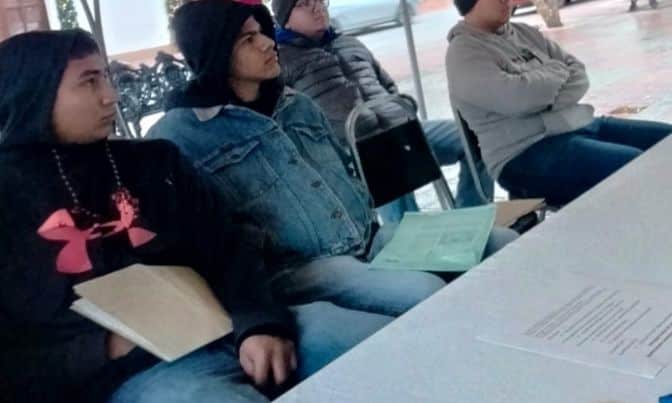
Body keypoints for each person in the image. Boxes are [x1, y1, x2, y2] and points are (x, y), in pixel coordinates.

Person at [0, 29, 390, 403]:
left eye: (105, 77)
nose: (110, 96)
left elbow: (228, 247)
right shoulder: (9, 195)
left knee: (381, 345)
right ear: (34, 93)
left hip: (233, 328)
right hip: (139, 374)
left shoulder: (153, 161)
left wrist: (259, 323)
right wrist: (101, 347)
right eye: (89, 82)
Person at [148, 0, 516, 318]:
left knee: (502, 243)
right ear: (214, 53)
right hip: (299, 269)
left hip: (368, 239)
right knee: (424, 292)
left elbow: (343, 167)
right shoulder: (180, 135)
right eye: (248, 39)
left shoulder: (295, 104)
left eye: (261, 32)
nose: (267, 43)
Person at [444, 0, 672, 207]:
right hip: (524, 153)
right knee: (637, 168)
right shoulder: (465, 54)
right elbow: (519, 99)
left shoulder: (524, 33)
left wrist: (541, 95)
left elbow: (579, 75)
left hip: (577, 124)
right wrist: (555, 72)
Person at [269, 0, 492, 215]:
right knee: (389, 168)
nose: (317, 7)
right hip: (351, 149)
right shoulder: (283, 61)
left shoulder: (350, 43)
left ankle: (472, 215)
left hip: (400, 128)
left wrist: (404, 107)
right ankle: (407, 231)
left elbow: (387, 84)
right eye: (304, 4)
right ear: (285, 18)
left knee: (475, 137)